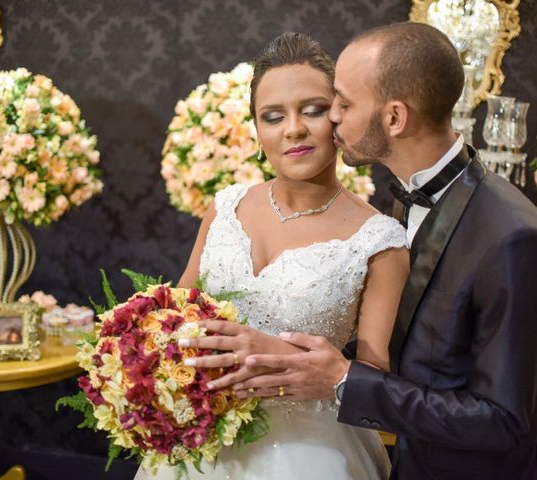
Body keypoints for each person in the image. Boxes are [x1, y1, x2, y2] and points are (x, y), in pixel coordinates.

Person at [194, 23, 537, 480]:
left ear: (393, 118)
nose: (330, 120)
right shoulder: (405, 202)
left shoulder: (512, 236)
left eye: (340, 105)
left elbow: (505, 421)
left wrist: (341, 380)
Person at [134, 32, 409, 479]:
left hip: (311, 449)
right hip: (200, 440)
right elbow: (175, 313)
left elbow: (372, 376)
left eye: (313, 110)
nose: (294, 129)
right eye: (273, 116)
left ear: (339, 115)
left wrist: (278, 359)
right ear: (258, 129)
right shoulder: (225, 206)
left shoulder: (379, 241)